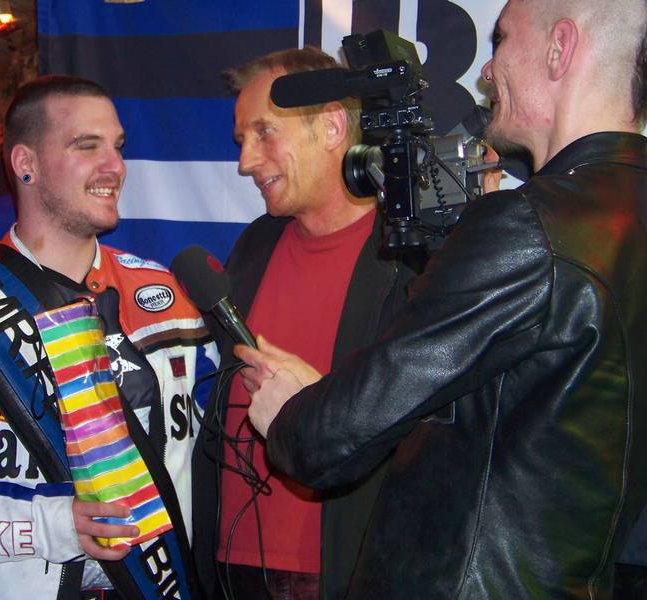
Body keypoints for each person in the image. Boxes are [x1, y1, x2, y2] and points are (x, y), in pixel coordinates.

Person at [239, 1, 647, 598]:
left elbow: (329, 439)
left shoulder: (528, 228)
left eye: (502, 40)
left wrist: (294, 413)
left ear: (560, 48)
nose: (487, 71)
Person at [0, 75, 218, 599]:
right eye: (86, 145)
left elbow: (216, 452)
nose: (115, 166)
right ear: (25, 163)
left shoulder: (168, 297)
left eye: (117, 146)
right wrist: (52, 524)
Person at [191, 47, 416, 600]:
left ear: (333, 127)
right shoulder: (255, 244)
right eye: (242, 139)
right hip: (231, 567)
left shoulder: (412, 262)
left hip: (346, 574)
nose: (246, 161)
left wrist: (318, 405)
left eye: (265, 132)